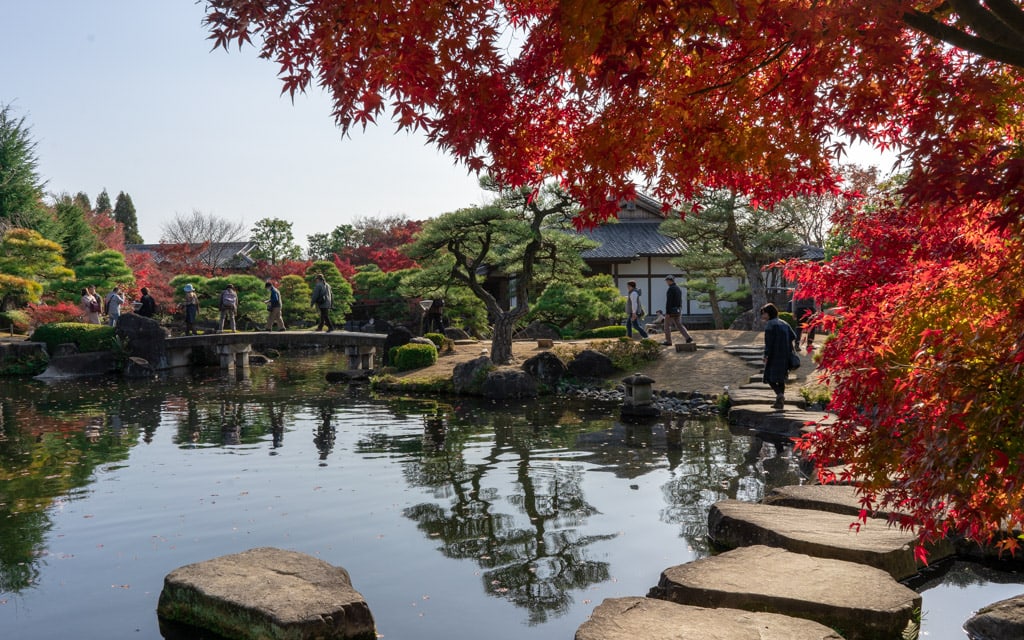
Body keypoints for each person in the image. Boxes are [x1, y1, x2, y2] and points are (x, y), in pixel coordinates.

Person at [760, 302, 798, 410]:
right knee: (781, 379)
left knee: (769, 377)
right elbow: (793, 337)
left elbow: (769, 342)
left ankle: (779, 395)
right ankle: (779, 403)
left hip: (774, 355)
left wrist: (766, 355)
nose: (763, 316)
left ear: (769, 313)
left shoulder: (770, 325)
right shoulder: (784, 323)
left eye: (764, 313)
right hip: (785, 355)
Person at [662, 275, 693, 346]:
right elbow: (680, 300)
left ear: (669, 281)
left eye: (667, 281)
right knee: (679, 325)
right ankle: (688, 337)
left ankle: (668, 341)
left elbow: (669, 302)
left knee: (666, 326)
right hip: (678, 310)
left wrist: (667, 312)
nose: (666, 282)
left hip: (671, 311)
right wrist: (679, 308)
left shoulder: (670, 289)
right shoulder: (678, 288)